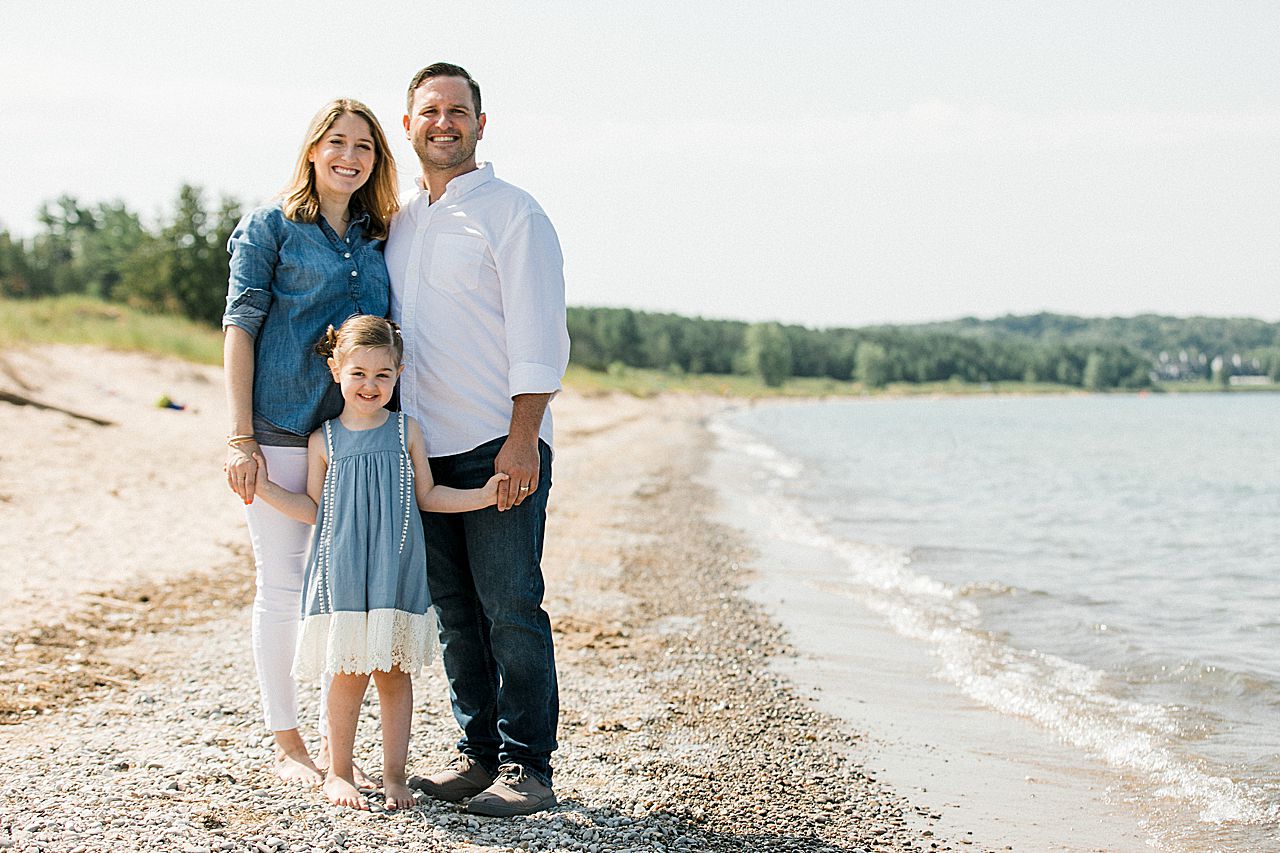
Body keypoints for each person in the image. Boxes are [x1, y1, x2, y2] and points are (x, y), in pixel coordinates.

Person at [385, 62, 570, 817]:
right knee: (455, 612)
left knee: (511, 606)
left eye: (457, 110)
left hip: (498, 442)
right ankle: (479, 755)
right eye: (430, 111)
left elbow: (540, 335)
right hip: (423, 451)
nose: (444, 123)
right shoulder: (399, 220)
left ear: (481, 124)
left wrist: (523, 439)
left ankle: (530, 767)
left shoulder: (513, 213)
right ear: (408, 125)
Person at [251, 315, 506, 809]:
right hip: (345, 572)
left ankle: (394, 777)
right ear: (336, 371)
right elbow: (314, 509)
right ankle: (338, 772)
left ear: (398, 374)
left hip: (395, 572)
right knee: (347, 673)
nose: (370, 385)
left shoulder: (406, 431)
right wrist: (262, 488)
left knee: (392, 673)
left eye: (383, 374)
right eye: (359, 373)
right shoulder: (324, 440)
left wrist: (483, 495)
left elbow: (428, 496)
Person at [222, 97, 398, 786]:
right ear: (313, 149)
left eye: (364, 146)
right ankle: (287, 742)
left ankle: (337, 751)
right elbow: (239, 329)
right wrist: (240, 437)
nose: (349, 157)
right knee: (283, 581)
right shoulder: (270, 226)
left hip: (354, 436)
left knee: (340, 588)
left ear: (376, 160)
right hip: (280, 426)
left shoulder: (379, 235)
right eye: (337, 142)